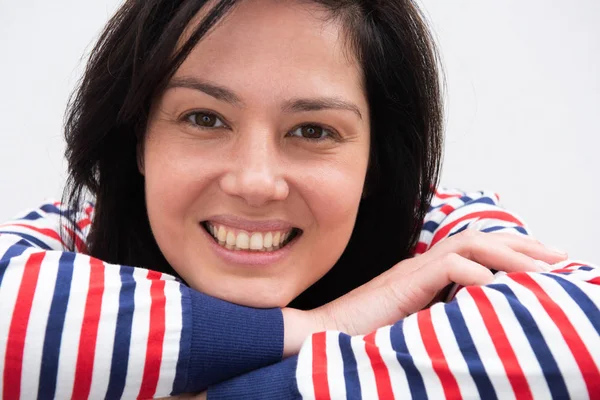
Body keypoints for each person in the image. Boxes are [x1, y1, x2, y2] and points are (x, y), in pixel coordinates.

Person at [0, 0, 597, 399]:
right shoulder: (71, 237)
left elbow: (583, 331)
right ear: (139, 142)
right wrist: (321, 327)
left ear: (375, 159)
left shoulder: (438, 237)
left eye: (313, 130)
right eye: (205, 118)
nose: (256, 181)